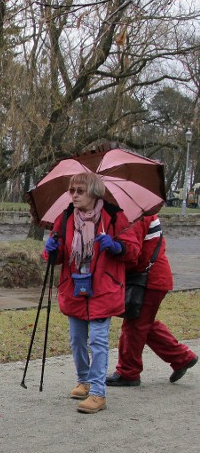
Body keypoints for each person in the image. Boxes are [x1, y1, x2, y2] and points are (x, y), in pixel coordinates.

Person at [43, 172, 140, 413]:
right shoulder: (65, 217)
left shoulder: (115, 216)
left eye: (79, 191)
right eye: (72, 190)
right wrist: (51, 250)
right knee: (77, 340)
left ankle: (98, 393)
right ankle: (83, 380)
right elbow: (57, 256)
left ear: (94, 192)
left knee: (97, 340)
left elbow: (134, 251)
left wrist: (117, 247)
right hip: (74, 287)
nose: (74, 195)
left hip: (103, 289)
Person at [106, 215, 197, 386]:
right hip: (155, 277)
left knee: (134, 325)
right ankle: (182, 357)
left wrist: (113, 250)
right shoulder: (143, 211)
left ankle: (128, 372)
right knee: (143, 322)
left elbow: (132, 254)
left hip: (149, 280)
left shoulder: (133, 216)